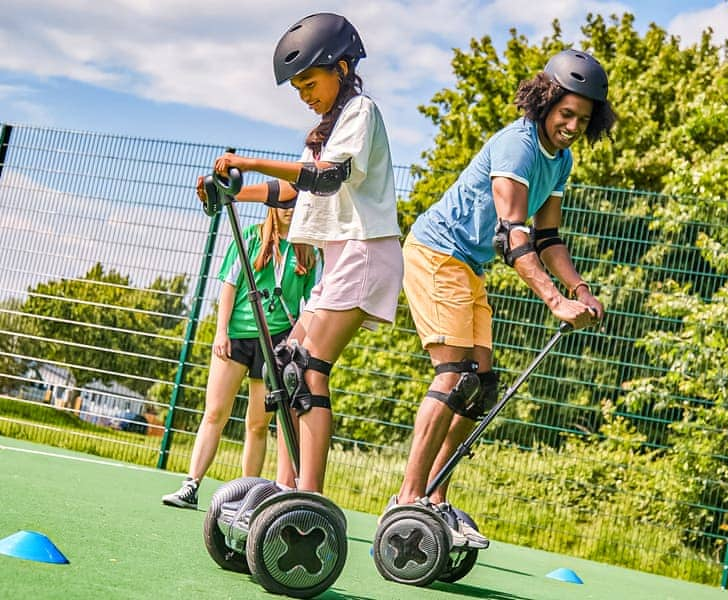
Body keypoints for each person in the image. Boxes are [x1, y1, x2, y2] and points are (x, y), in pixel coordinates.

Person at [388, 49, 616, 548]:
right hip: (435, 252)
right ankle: (407, 501)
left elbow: (548, 237)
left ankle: (436, 500)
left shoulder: (561, 160)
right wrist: (556, 302)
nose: (573, 126)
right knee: (452, 376)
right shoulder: (518, 147)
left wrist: (580, 289)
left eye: (583, 118)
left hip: (467, 266)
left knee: (480, 386)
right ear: (547, 102)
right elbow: (512, 233)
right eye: (566, 114)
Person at [200, 12, 402, 495]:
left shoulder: (360, 113)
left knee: (309, 370)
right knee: (289, 364)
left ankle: (306, 497)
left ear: (343, 69)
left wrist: (247, 160)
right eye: (298, 89)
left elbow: (327, 178)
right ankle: (282, 488)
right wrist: (231, 191)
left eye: (310, 82)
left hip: (364, 252)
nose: (305, 95)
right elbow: (295, 194)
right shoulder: (329, 128)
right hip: (342, 259)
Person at [162, 204, 319, 509]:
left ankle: (249, 498)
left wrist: (295, 346)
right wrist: (221, 332)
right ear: (271, 206)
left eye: (294, 204)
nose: (288, 209)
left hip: (276, 342)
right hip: (237, 335)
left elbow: (310, 303)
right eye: (283, 203)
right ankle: (191, 485)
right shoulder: (249, 237)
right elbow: (229, 287)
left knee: (258, 424)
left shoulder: (307, 251)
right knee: (214, 413)